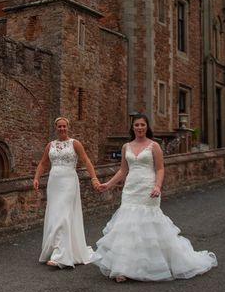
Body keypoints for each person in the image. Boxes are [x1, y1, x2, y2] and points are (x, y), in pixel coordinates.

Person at [93, 113, 217, 282]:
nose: (139, 128)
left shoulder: (154, 146)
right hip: (131, 189)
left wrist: (157, 186)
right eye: (136, 125)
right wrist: (108, 184)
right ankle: (122, 268)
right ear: (132, 127)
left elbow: (160, 169)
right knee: (127, 226)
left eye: (142, 125)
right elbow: (123, 170)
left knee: (148, 225)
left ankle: (153, 264)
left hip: (148, 188)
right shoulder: (126, 147)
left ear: (147, 127)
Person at [33, 116, 101, 268]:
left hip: (69, 182)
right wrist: (36, 178)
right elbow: (43, 163)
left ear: (68, 127)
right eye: (59, 126)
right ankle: (54, 249)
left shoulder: (75, 143)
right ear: (55, 128)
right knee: (54, 214)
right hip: (54, 183)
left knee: (64, 215)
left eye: (64, 126)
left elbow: (86, 160)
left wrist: (94, 178)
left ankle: (60, 256)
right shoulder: (50, 145)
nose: (62, 129)